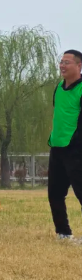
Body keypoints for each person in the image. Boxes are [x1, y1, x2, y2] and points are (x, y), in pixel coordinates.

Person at [47, 50, 82, 240]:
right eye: (61, 62)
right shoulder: (59, 87)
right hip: (57, 147)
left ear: (79, 66)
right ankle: (63, 233)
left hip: (76, 150)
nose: (62, 65)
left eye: (67, 62)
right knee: (55, 193)